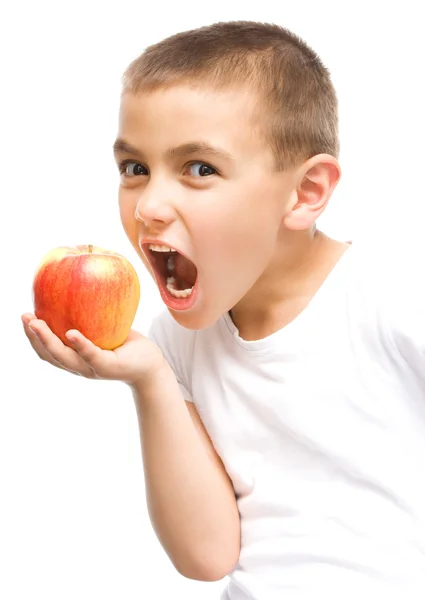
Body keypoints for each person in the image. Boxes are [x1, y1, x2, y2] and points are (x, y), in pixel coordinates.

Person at [21, 20, 425, 600]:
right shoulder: (176, 338)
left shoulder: (397, 299)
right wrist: (151, 379)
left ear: (305, 193)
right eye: (135, 169)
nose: (150, 206)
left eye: (200, 169)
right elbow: (208, 557)